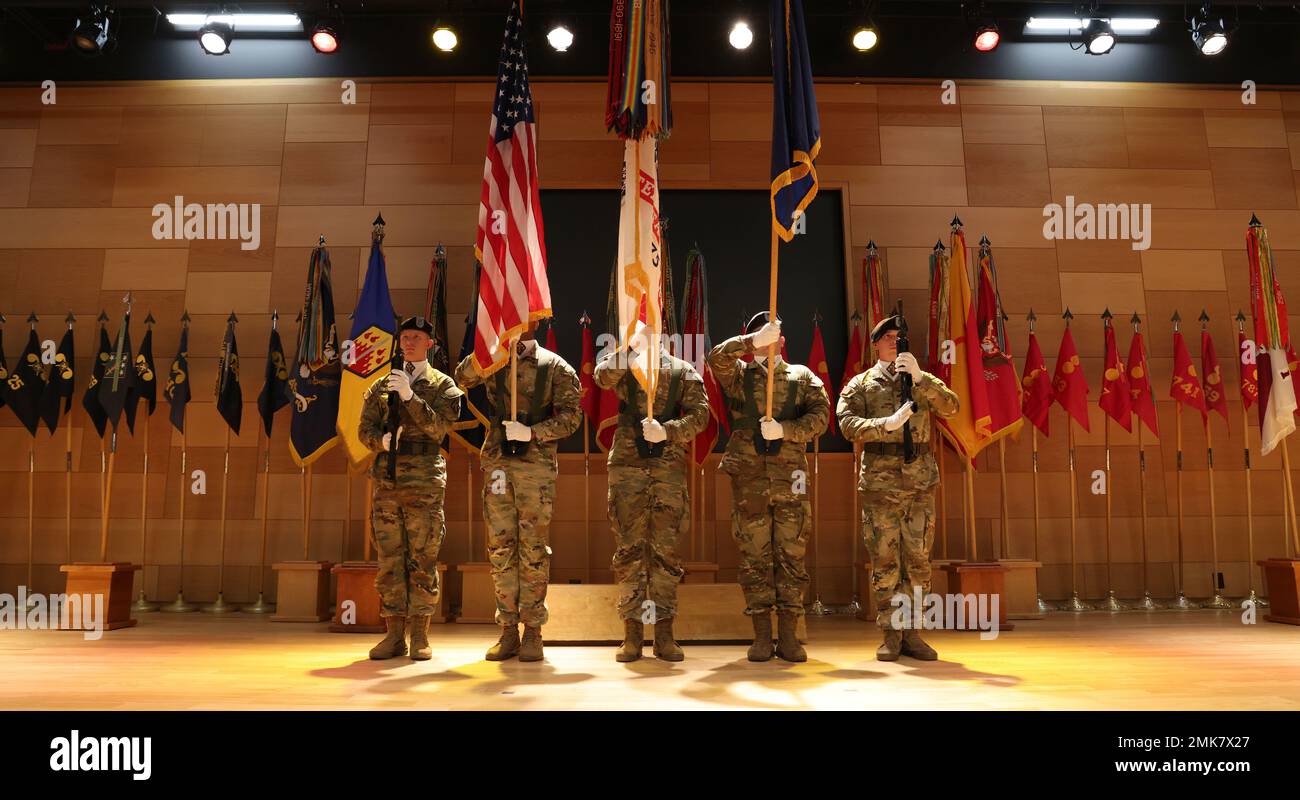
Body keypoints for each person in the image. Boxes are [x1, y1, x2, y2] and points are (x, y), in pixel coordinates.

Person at [454, 326, 582, 662]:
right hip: (498, 462)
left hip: (535, 465)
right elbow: (461, 377)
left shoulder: (555, 367)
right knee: (500, 547)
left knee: (533, 549)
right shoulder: (494, 360)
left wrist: (533, 431)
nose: (519, 321)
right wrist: (490, 352)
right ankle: (508, 630)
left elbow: (572, 418)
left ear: (535, 321)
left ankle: (533, 631)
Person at [837, 315, 958, 662]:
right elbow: (846, 424)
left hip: (919, 484)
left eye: (899, 337)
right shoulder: (861, 384)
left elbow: (952, 407)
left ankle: (914, 633)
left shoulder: (921, 380)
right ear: (875, 344)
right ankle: (891, 634)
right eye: (887, 337)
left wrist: (921, 378)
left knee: (918, 561)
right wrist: (884, 425)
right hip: (880, 484)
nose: (894, 341)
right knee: (886, 561)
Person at [707, 312, 828, 662]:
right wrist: (749, 343)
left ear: (784, 341)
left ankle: (789, 635)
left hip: (791, 478)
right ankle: (762, 634)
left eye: (774, 334)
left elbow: (820, 417)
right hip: (750, 480)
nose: (770, 339)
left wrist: (787, 431)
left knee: (791, 556)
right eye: (762, 334)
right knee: (754, 558)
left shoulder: (801, 376)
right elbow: (716, 358)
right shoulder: (739, 376)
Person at [593, 334, 709, 662]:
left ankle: (663, 633)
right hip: (628, 465)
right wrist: (629, 350)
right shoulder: (625, 364)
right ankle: (631, 633)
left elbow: (701, 416)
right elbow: (601, 377)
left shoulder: (682, 371)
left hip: (667, 465)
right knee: (630, 549)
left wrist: (668, 431)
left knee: (665, 552)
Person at [358, 316, 463, 661]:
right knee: (390, 558)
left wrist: (409, 396)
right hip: (388, 480)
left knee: (422, 557)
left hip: (424, 480)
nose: (409, 343)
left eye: (416, 337)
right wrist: (381, 441)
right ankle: (393, 634)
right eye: (405, 337)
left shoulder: (444, 386)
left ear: (429, 344)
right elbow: (364, 430)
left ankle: (419, 634)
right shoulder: (381, 385)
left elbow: (439, 429)